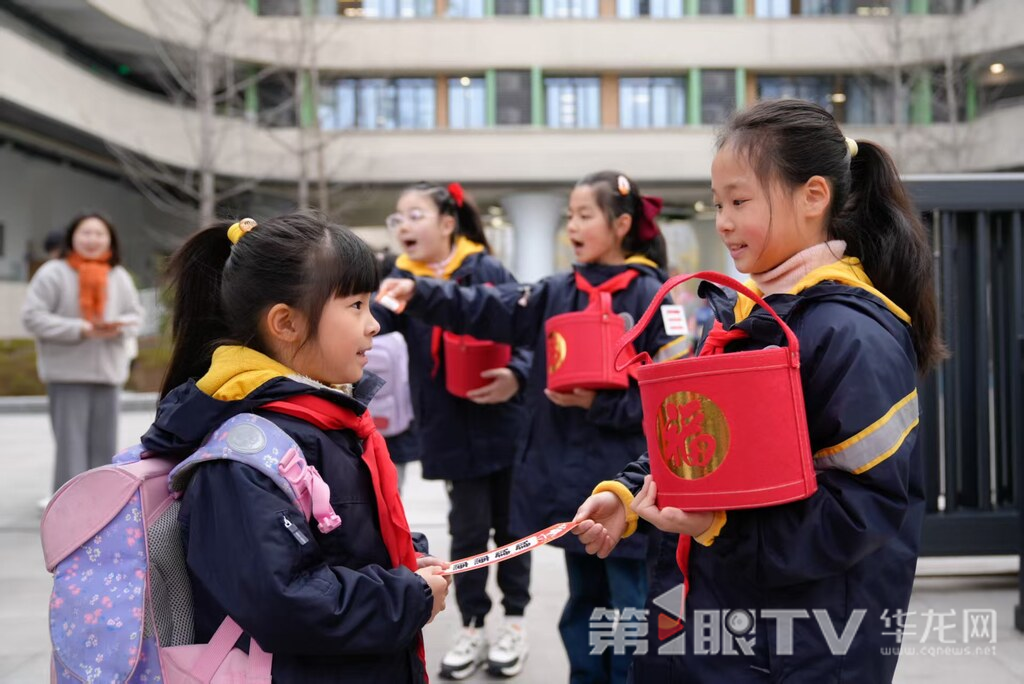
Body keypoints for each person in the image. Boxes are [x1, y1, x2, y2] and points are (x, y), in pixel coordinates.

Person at [572, 99, 943, 683]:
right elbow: (700, 440)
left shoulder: (851, 333)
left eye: (739, 202)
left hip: (799, 647)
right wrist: (625, 494)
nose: (722, 220)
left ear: (813, 197)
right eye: (719, 203)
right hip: (713, 621)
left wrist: (717, 525)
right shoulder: (754, 312)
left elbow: (861, 510)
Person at [378, 171, 690, 684]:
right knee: (583, 604)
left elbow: (676, 400)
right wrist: (421, 293)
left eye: (584, 215)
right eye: (569, 215)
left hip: (633, 492)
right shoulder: (554, 292)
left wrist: (600, 404)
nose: (572, 225)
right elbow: (483, 307)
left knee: (632, 608)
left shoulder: (658, 298)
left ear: (623, 224)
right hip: (569, 485)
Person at [143, 213, 450, 683]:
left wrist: (404, 558)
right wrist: (403, 597)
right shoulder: (243, 455)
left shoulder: (324, 418)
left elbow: (340, 541)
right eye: (355, 306)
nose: (372, 325)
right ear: (286, 323)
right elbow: (283, 601)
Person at [372, 182, 533, 680]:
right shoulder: (398, 279)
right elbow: (370, 328)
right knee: (466, 532)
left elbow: (526, 329)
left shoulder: (485, 269)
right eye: (398, 218)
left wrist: (517, 376)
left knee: (514, 527)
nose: (404, 226)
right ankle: (473, 625)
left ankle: (515, 622)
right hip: (449, 429)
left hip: (504, 424)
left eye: (415, 214)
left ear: (447, 223)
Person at [22, 212, 144, 496]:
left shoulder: (119, 276)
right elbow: (32, 317)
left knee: (105, 449)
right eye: (85, 233)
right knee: (70, 450)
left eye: (99, 234)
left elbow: (136, 315)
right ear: (72, 237)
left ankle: (102, 507)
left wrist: (119, 327)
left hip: (108, 373)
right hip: (67, 374)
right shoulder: (53, 272)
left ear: (110, 239)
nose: (92, 240)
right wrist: (81, 329)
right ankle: (68, 508)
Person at [366, 252, 419, 492]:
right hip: (399, 420)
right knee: (394, 488)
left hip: (363, 417)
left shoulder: (359, 308)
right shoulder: (402, 307)